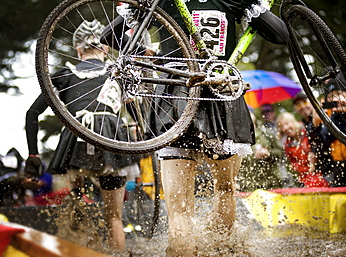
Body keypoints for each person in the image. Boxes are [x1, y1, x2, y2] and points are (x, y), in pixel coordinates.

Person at [101, 1, 290, 255]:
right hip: (220, 95)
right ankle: (222, 249)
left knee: (179, 206)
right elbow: (282, 35)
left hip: (175, 95)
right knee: (225, 189)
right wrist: (251, 5)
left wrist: (150, 55)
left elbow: (108, 36)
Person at [24, 20, 141, 250]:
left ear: (78, 50)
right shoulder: (117, 74)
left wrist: (33, 155)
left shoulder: (65, 75)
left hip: (75, 145)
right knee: (114, 218)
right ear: (106, 49)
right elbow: (138, 115)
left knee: (77, 211)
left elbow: (32, 114)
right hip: (111, 143)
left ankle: (81, 239)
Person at [307, 76, 346, 186]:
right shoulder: (335, 117)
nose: (335, 98)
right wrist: (315, 126)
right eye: (331, 96)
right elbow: (323, 141)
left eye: (339, 93)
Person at [276, 112, 329, 188]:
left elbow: (322, 145)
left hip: (324, 171)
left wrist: (314, 156)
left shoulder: (308, 130)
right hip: (306, 178)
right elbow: (293, 164)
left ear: (293, 121)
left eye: (287, 124)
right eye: (282, 127)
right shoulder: (288, 144)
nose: (285, 128)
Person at [238, 110, 284, 191]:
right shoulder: (236, 139)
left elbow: (281, 153)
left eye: (248, 112)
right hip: (248, 187)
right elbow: (234, 162)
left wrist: (269, 154)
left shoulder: (267, 133)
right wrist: (253, 156)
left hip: (272, 184)